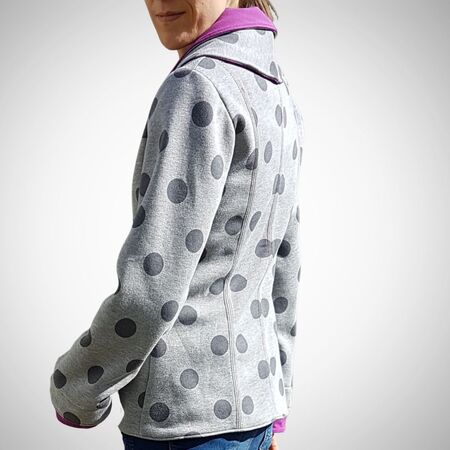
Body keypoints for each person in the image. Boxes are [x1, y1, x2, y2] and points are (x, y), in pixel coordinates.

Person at [49, 1, 305, 449]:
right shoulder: (274, 86)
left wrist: (76, 387)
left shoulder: (198, 87)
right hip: (252, 416)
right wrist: (274, 399)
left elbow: (153, 289)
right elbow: (284, 262)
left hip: (182, 423)